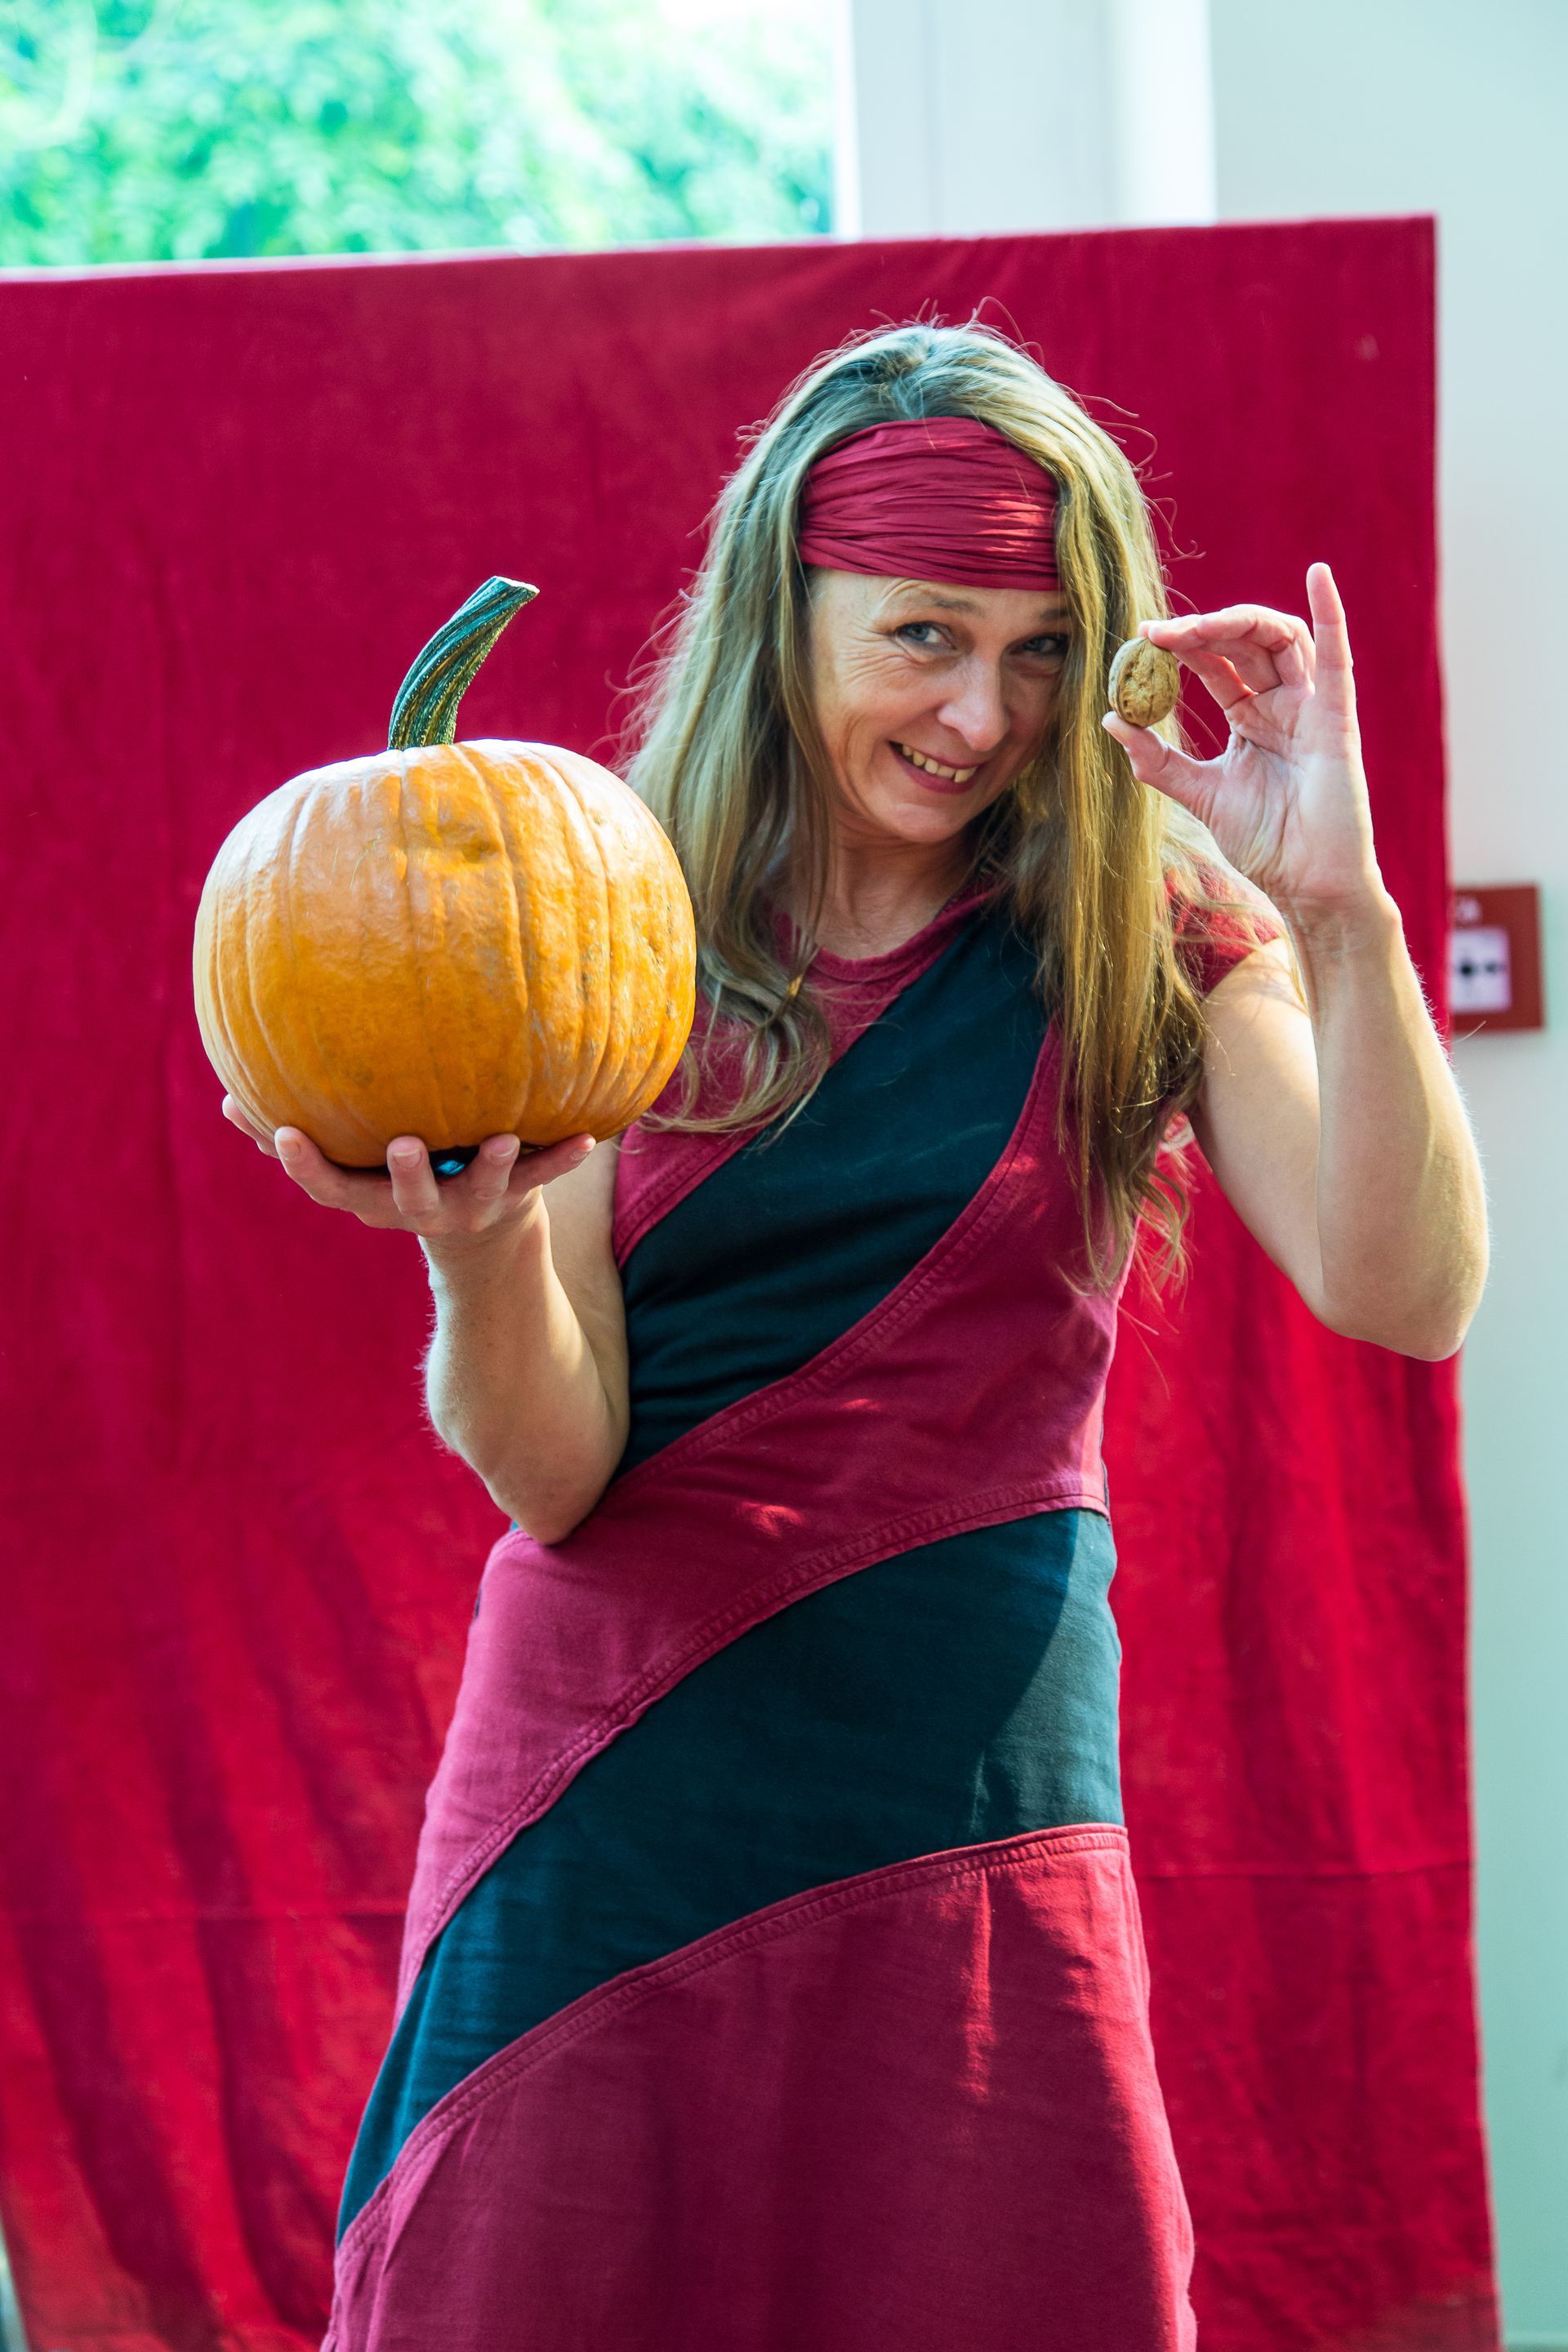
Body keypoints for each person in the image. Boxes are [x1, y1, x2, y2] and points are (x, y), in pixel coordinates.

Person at [225, 323, 1487, 2350]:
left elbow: (1406, 1291)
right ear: (784, 613)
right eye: (921, 636)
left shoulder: (1148, 935)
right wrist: (473, 1258)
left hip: (966, 1798)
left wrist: (1338, 912)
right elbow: (557, 1467)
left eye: (1040, 649)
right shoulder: (585, 915)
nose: (982, 713)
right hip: (611, 1794)